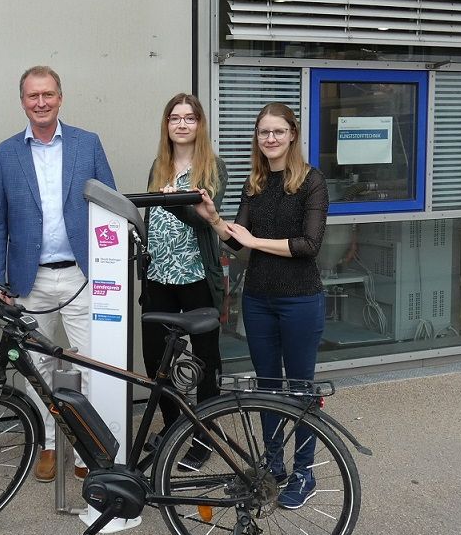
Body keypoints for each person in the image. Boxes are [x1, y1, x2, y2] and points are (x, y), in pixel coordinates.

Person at [0, 65, 116, 482]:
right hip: (29, 281)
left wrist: (107, 271)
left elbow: (109, 209)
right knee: (37, 367)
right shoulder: (6, 154)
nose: (40, 103)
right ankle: (46, 442)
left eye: (48, 95)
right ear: (22, 101)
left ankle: (87, 446)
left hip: (81, 277)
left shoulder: (87, 144)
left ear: (61, 97)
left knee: (92, 365)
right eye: (32, 96)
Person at [195, 102, 328, 509]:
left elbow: (309, 245)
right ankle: (273, 465)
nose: (269, 138)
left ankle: (304, 470)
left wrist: (254, 242)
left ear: (292, 134)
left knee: (300, 388)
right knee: (267, 388)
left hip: (300, 299)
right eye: (263, 132)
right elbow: (238, 243)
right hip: (259, 300)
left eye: (277, 131)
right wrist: (215, 220)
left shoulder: (311, 182)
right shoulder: (254, 183)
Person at [140, 94, 227, 471]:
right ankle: (174, 426)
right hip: (158, 276)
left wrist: (178, 203)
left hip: (196, 277)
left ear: (199, 124)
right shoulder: (158, 166)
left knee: (206, 359)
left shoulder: (212, 166)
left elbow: (204, 220)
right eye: (174, 118)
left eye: (189, 118)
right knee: (154, 358)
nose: (181, 124)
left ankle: (205, 434)